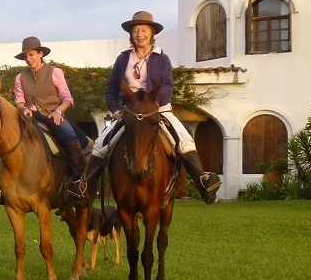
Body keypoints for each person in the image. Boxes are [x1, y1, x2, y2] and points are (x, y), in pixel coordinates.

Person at [83, 11, 221, 203]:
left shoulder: (162, 58)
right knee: (100, 145)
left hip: (158, 110)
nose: (140, 34)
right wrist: (115, 108)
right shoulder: (123, 59)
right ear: (131, 34)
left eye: (144, 30)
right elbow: (111, 88)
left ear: (151, 33)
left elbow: (168, 86)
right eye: (136, 30)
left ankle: (203, 183)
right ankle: (84, 189)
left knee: (185, 140)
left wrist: (152, 104)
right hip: (130, 113)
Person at [0, 35, 88, 203]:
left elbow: (67, 99)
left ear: (40, 54)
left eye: (31, 54)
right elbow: (19, 101)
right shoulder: (20, 77)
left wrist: (58, 111)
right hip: (29, 117)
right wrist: (23, 109)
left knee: (70, 136)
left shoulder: (55, 72)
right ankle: (6, 188)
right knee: (7, 138)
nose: (28, 59)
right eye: (25, 56)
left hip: (52, 115)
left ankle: (79, 181)